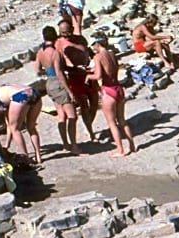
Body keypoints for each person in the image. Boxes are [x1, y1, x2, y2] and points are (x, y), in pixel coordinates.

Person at [88, 33, 137, 157]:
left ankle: (120, 150)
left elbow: (98, 76)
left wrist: (88, 76)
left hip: (108, 90)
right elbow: (110, 69)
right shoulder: (111, 54)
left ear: (97, 44)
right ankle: (132, 145)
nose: (93, 47)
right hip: (118, 88)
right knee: (122, 120)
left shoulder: (98, 57)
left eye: (93, 44)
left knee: (111, 123)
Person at [35, 25, 81, 155]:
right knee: (72, 116)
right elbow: (60, 72)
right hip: (59, 83)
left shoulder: (40, 51)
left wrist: (47, 71)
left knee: (61, 114)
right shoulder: (55, 53)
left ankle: (66, 144)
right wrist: (69, 91)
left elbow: (37, 70)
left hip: (49, 82)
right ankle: (74, 146)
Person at [0, 85, 43, 163]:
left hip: (20, 96)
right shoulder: (1, 99)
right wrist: (7, 145)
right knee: (31, 127)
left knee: (16, 129)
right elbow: (8, 124)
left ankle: (26, 158)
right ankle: (38, 156)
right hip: (33, 91)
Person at [55, 19, 98, 142]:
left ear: (72, 29)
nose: (66, 35)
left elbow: (90, 53)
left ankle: (89, 124)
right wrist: (75, 68)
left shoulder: (81, 39)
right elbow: (60, 66)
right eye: (63, 33)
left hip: (88, 73)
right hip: (74, 76)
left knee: (94, 102)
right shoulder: (59, 43)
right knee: (84, 105)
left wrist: (95, 63)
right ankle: (90, 131)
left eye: (67, 32)